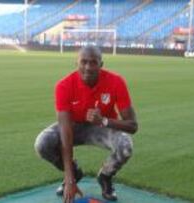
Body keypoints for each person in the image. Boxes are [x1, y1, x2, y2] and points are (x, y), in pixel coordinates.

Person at [34, 46, 138, 203]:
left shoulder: (116, 82)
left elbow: (133, 126)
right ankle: (75, 173)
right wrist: (70, 179)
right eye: (84, 62)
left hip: (102, 128)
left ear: (101, 64)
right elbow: (65, 133)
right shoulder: (64, 86)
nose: (88, 67)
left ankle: (105, 176)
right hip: (73, 127)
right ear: (76, 63)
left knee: (126, 144)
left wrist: (104, 120)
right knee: (42, 143)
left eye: (93, 62)